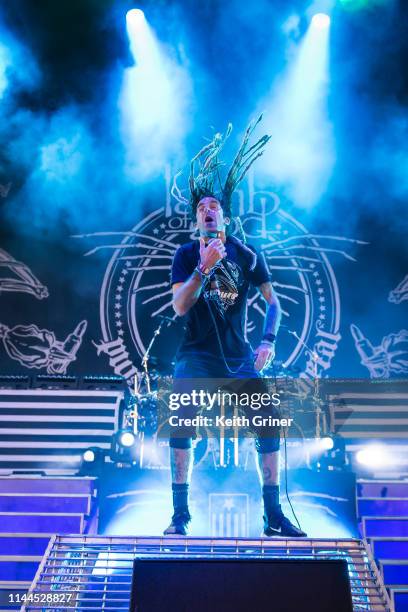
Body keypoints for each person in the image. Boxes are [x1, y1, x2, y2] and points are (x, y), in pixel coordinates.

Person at [164, 117, 306, 538]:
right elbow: (179, 306)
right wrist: (203, 272)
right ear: (196, 220)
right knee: (180, 424)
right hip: (195, 355)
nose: (207, 211)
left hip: (239, 356)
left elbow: (274, 304)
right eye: (200, 209)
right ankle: (179, 515)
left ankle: (273, 515)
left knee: (270, 423)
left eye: (213, 207)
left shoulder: (247, 254)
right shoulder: (186, 255)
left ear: (224, 216)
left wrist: (267, 340)